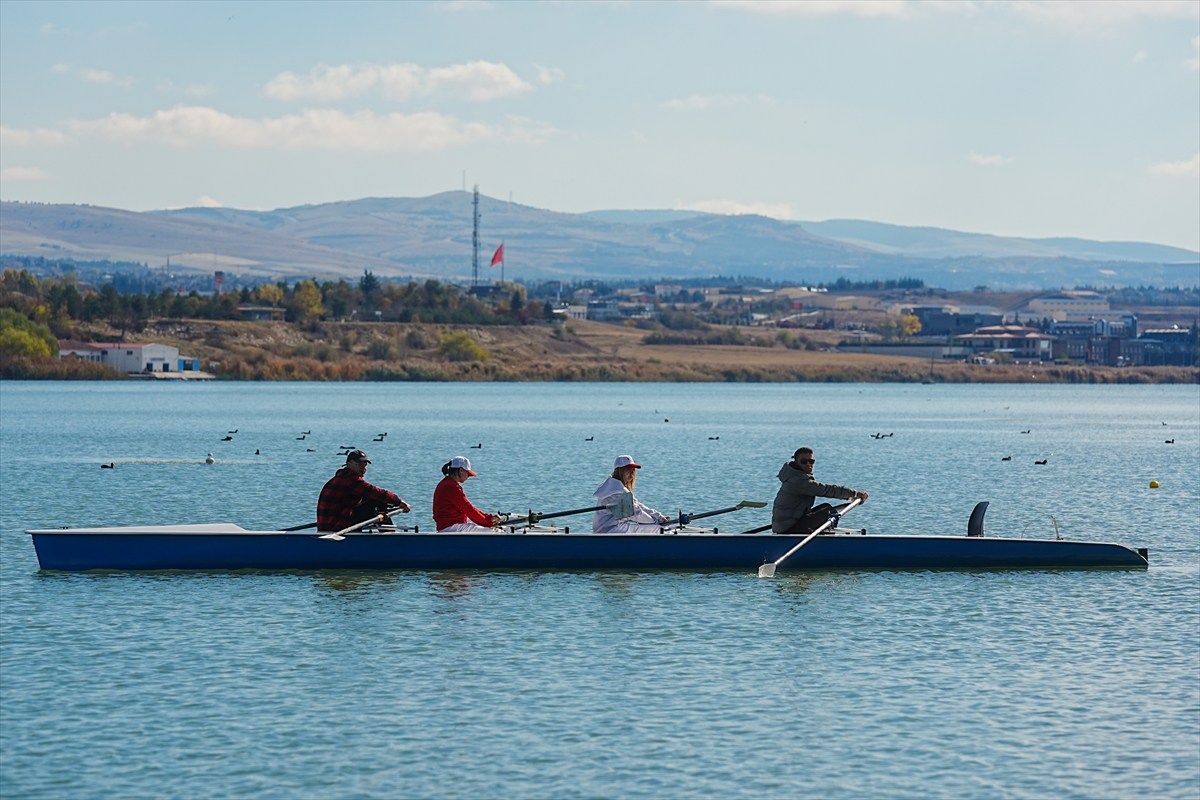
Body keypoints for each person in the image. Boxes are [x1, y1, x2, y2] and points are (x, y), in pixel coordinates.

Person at [772, 447, 868, 535]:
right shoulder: (799, 481)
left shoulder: (795, 477)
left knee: (825, 507)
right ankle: (826, 543)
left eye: (811, 461)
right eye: (804, 461)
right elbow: (826, 490)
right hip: (789, 529)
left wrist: (851, 497)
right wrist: (854, 493)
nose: (809, 464)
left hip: (788, 524)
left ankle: (823, 536)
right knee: (828, 512)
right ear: (796, 462)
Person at [317, 450, 411, 532]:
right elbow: (375, 492)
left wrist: (390, 503)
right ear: (349, 464)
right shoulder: (350, 480)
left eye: (365, 465)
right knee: (377, 500)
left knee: (378, 501)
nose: (363, 468)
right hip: (335, 527)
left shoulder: (342, 477)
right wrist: (399, 502)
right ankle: (389, 538)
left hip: (331, 523)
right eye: (359, 464)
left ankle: (386, 533)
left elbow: (367, 496)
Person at [592, 455, 671, 533]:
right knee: (660, 529)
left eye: (633, 470)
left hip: (607, 527)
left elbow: (638, 506)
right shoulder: (618, 492)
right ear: (620, 471)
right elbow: (636, 513)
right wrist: (655, 522)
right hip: (611, 529)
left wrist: (659, 517)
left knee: (657, 527)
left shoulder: (613, 487)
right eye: (628, 469)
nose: (632, 473)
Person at [433, 456, 497, 532]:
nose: (468, 476)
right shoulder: (451, 487)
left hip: (450, 527)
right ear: (461, 470)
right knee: (494, 532)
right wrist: (488, 522)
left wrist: (488, 517)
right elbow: (468, 509)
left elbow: (468, 508)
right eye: (468, 473)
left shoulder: (445, 483)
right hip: (451, 528)